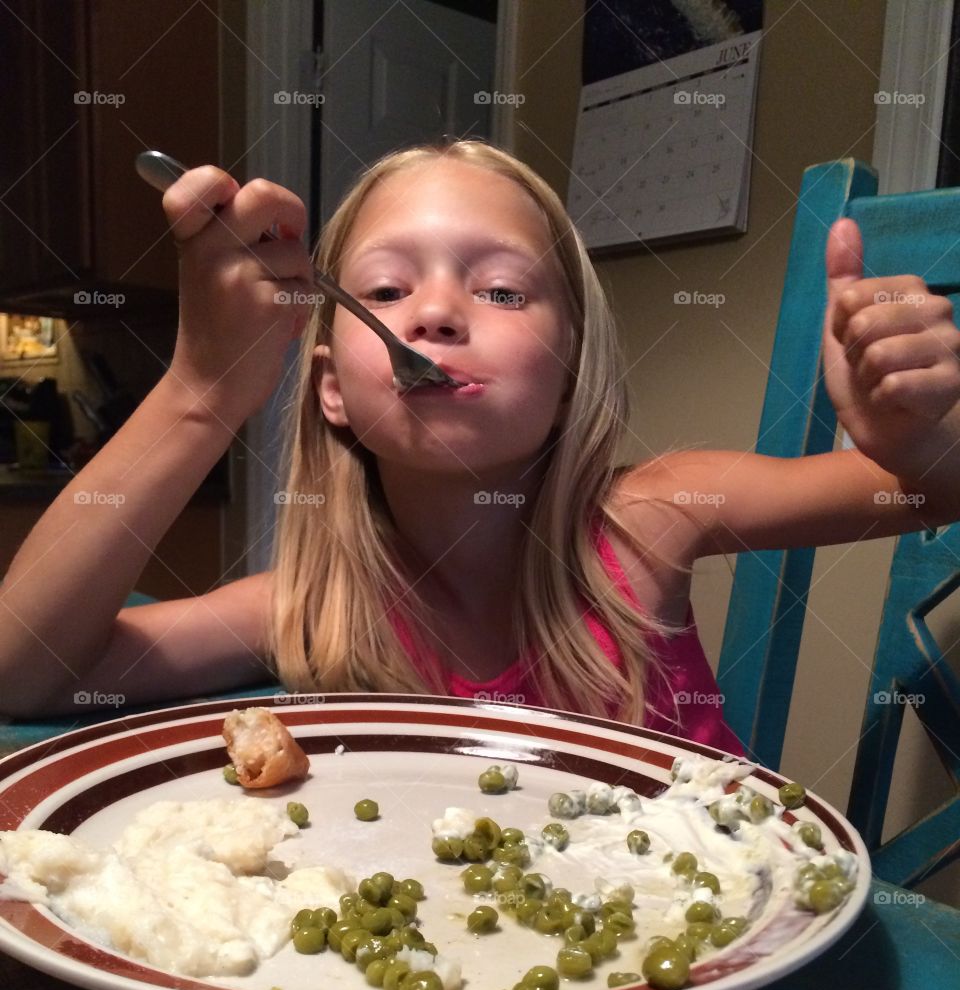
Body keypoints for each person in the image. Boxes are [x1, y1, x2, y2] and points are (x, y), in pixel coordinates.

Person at [2, 140, 959, 753]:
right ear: (332, 390)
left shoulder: (651, 517)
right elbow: (24, 670)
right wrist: (200, 394)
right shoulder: (311, 603)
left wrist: (914, 442)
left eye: (502, 291)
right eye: (382, 292)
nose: (437, 312)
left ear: (567, 375)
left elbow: (927, 496)